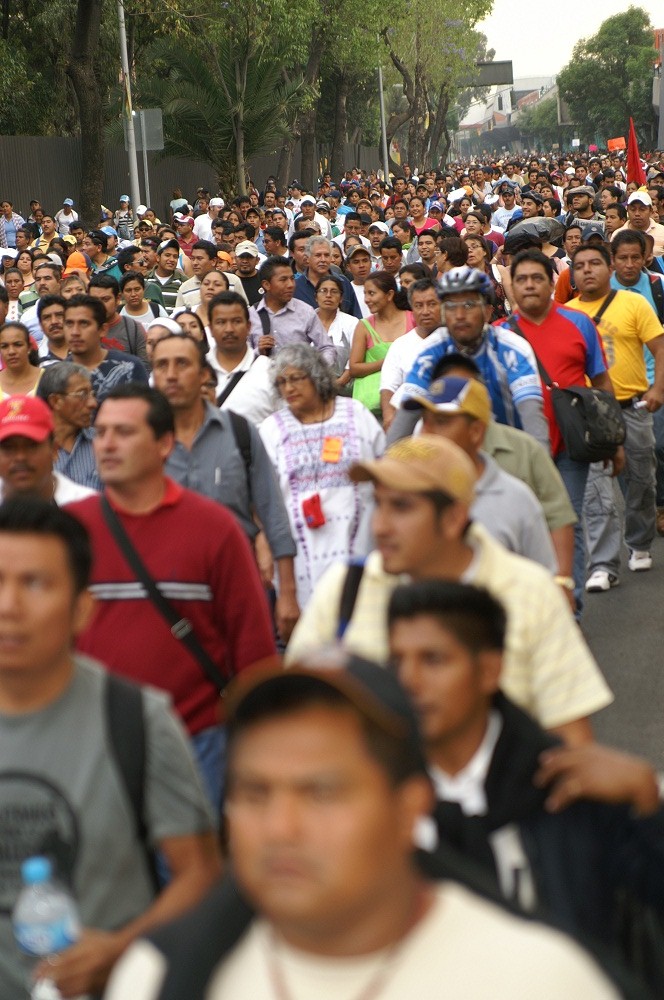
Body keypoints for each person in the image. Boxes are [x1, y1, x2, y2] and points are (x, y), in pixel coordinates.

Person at [106, 653, 620, 1000]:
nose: (281, 828)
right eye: (254, 792)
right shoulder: (156, 977)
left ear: (409, 809)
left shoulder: (536, 981)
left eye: (322, 793)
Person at [389, 579, 664, 989]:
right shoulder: (373, 800)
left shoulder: (570, 790)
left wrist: (648, 809)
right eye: (396, 661)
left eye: (433, 659)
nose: (409, 680)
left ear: (488, 670)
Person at [0, 496, 222, 999]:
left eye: (34, 583)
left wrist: (123, 949)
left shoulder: (138, 720)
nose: (9, 606)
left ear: (82, 610)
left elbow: (201, 872)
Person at [287, 434, 613, 746]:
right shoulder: (346, 588)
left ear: (454, 517)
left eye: (401, 507)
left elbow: (571, 739)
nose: (380, 526)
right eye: (378, 504)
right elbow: (292, 713)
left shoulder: (529, 592)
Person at [68, 384, 278, 810]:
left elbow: (252, 648)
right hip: (92, 745)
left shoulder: (215, 530)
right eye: (101, 431)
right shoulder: (69, 530)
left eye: (123, 432)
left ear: (164, 444)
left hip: (196, 744)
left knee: (191, 872)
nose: (106, 444)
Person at [150, 333, 299, 642]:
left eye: (182, 364)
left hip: (238, 583)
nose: (171, 374)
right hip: (166, 592)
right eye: (162, 365)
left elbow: (273, 513)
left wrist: (287, 593)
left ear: (205, 374)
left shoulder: (240, 432)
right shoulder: (140, 441)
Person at [501, 248, 619, 609]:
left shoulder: (578, 323)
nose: (530, 285)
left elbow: (601, 383)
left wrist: (616, 442)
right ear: (512, 288)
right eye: (522, 279)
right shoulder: (500, 333)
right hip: (519, 450)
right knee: (523, 528)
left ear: (553, 282)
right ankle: (536, 609)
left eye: (538, 278)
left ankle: (572, 607)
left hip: (570, 443)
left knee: (569, 521)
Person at [566, 243, 664, 587]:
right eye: (580, 265)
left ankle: (638, 544)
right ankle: (603, 565)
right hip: (588, 416)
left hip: (633, 409)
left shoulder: (634, 303)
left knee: (642, 482)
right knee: (596, 493)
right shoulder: (565, 314)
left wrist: (657, 390)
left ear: (609, 268)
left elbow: (660, 348)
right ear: (573, 274)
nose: (588, 270)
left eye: (595, 263)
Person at [260, 344, 384, 606]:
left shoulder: (356, 414)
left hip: (361, 547)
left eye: (296, 378)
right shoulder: (272, 429)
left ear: (316, 375)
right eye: (281, 382)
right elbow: (263, 499)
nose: (289, 388)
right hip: (300, 562)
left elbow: (384, 474)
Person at [404, 374, 558, 572]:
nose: (427, 433)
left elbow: (542, 584)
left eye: (441, 421)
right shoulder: (403, 494)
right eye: (424, 420)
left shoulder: (517, 499)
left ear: (476, 431)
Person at [388, 266, 549, 450]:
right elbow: (406, 416)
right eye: (450, 306)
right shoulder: (430, 350)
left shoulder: (511, 348)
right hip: (452, 457)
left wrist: (540, 465)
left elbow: (531, 414)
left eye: (469, 305)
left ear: (488, 312)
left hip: (508, 451)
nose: (459, 315)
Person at [0, 393, 95, 505]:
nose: (20, 457)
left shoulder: (87, 507)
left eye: (32, 446)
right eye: (9, 448)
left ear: (54, 450)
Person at [349, 272, 416, 418]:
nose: (367, 299)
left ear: (390, 295)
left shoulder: (413, 320)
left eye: (372, 293)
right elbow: (354, 367)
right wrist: (388, 362)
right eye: (365, 294)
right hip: (371, 410)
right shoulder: (364, 326)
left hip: (409, 406)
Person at [380, 278, 443, 430]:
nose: (425, 311)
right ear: (412, 309)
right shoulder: (400, 345)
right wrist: (389, 416)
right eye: (419, 306)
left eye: (432, 304)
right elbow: (388, 387)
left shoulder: (455, 341)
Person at [62, 294, 148, 405]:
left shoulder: (131, 368)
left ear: (103, 330)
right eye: (69, 324)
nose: (75, 332)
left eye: (84, 324)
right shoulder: (55, 376)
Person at [248, 257, 336, 364]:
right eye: (283, 280)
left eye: (292, 278)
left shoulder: (305, 311)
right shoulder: (250, 316)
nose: (290, 285)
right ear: (266, 284)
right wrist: (258, 352)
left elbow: (326, 348)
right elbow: (239, 359)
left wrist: (314, 374)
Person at [37, 360, 101, 490]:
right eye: (82, 394)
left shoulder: (103, 443)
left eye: (92, 394)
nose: (92, 403)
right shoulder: (34, 449)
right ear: (56, 401)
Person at [293, 235, 362, 318]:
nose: (323, 260)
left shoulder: (343, 283)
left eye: (326, 255)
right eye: (318, 255)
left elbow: (356, 318)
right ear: (307, 258)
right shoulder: (296, 287)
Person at [88, 274, 149, 365]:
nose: (99, 305)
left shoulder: (134, 329)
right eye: (94, 300)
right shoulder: (80, 329)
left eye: (105, 299)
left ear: (118, 299)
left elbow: (145, 369)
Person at [0, 321, 42, 398]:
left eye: (18, 345)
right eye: (4, 346)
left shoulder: (46, 378)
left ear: (29, 347)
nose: (11, 351)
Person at [146, 238, 187, 315]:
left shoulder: (183, 281)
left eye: (175, 256)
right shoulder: (145, 279)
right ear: (158, 257)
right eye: (167, 255)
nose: (171, 259)